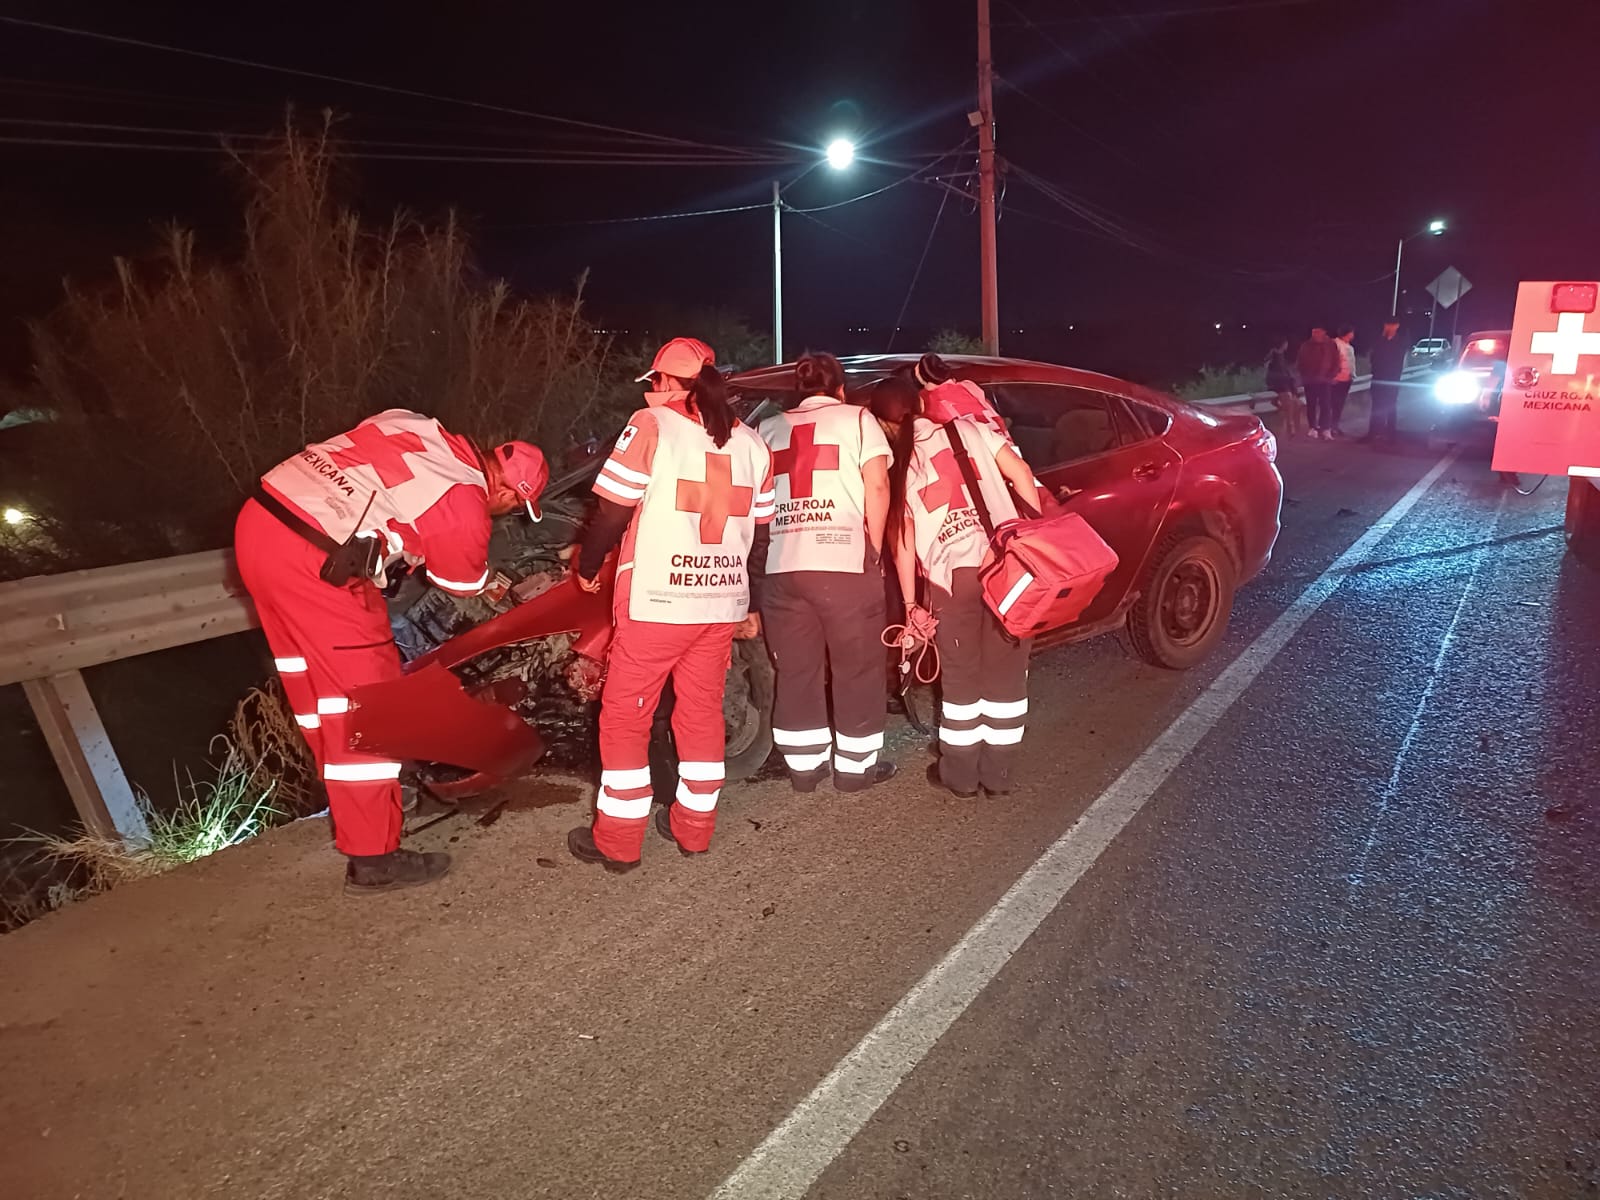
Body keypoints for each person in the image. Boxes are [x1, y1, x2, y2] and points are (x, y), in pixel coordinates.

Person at [234, 410, 548, 893]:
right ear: (507, 493)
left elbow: (381, 491)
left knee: (317, 693)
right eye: (509, 508)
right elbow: (460, 583)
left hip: (260, 526)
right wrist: (496, 585)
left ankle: (357, 800)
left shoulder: (418, 425)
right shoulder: (464, 499)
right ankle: (374, 855)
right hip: (318, 562)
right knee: (371, 711)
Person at [567, 338, 775, 872]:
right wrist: (748, 600)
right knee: (701, 711)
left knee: (624, 718)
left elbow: (612, 511)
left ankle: (617, 841)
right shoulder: (753, 443)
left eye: (652, 381)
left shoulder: (652, 426)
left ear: (665, 382)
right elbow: (762, 536)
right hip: (719, 604)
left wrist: (587, 567)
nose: (650, 391)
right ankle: (694, 828)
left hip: (658, 601)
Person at [869, 375, 1048, 799]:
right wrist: (1033, 534)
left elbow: (903, 541)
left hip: (952, 579)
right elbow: (1021, 472)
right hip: (1006, 565)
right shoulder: (968, 427)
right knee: (1007, 677)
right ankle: (998, 773)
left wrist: (912, 605)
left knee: (962, 680)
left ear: (884, 423)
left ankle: (962, 774)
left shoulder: (900, 465)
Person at [756, 351, 895, 793]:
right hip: (842, 564)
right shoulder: (858, 420)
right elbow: (877, 485)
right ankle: (855, 770)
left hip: (781, 565)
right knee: (857, 667)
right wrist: (873, 548)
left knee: (796, 669)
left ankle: (804, 768)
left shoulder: (768, 429)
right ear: (840, 388)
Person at [1365, 317, 1406, 444]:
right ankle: (1373, 433)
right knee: (1376, 406)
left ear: (1397, 326)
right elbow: (1373, 357)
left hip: (1392, 379)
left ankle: (1391, 434)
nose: (1389, 327)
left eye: (1392, 325)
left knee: (1390, 406)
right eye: (1387, 325)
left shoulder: (1400, 341)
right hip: (1378, 377)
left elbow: (1398, 360)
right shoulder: (1379, 340)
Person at [1296, 325, 1342, 440]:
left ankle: (1325, 429)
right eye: (1313, 332)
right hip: (1310, 381)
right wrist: (1304, 376)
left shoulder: (1331, 345)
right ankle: (1312, 427)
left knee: (1325, 405)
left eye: (1317, 332)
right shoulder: (1306, 345)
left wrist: (1331, 376)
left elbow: (1336, 361)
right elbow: (1300, 362)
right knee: (1311, 404)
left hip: (1325, 380)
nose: (1315, 334)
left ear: (1323, 332)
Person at [1265, 336, 1304, 439]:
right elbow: (1273, 374)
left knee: (1298, 403)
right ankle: (1290, 425)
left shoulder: (1281, 358)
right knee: (1289, 401)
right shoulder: (1274, 356)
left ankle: (1294, 426)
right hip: (1279, 385)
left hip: (1285, 385)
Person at [1328, 324, 1357, 439]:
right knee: (1332, 404)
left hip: (1346, 379)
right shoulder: (1335, 344)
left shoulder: (1349, 346)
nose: (1353, 335)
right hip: (1336, 379)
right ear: (1347, 333)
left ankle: (1335, 425)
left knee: (1339, 405)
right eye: (1352, 332)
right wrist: (1332, 376)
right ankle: (1327, 426)